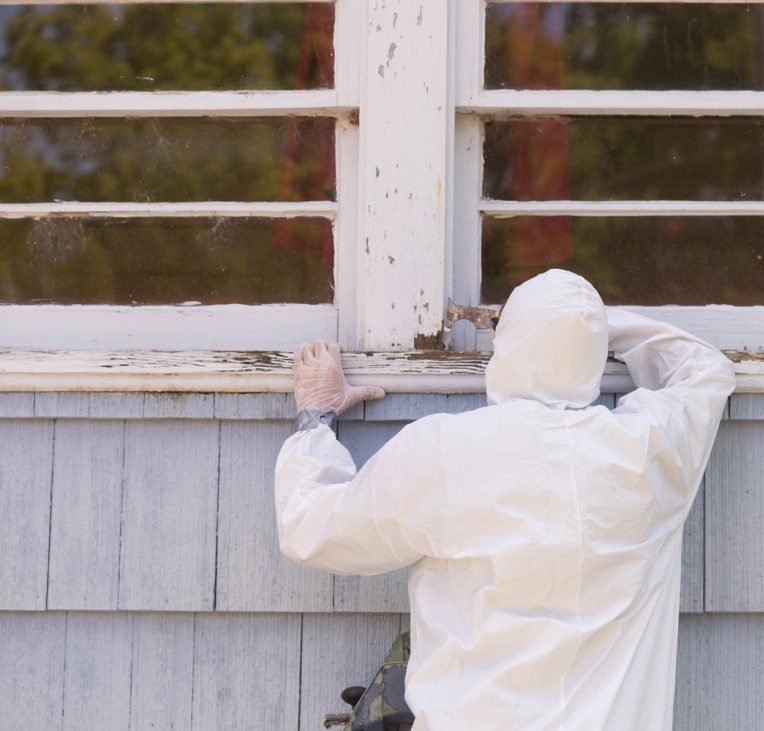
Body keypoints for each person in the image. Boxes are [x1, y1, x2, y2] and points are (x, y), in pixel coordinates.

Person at [275, 268, 735, 730]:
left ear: (509, 346)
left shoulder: (446, 451)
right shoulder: (646, 452)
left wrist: (316, 418)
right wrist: (585, 326)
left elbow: (311, 528)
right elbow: (704, 368)